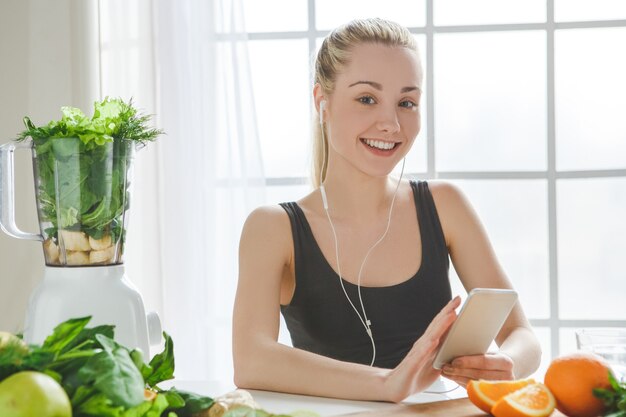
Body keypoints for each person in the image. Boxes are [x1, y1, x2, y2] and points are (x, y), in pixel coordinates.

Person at [232, 17, 541, 402]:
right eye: (366, 99)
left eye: (406, 102)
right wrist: (388, 383)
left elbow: (522, 335)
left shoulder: (445, 205)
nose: (391, 123)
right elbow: (251, 360)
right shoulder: (274, 228)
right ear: (321, 102)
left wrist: (506, 363)